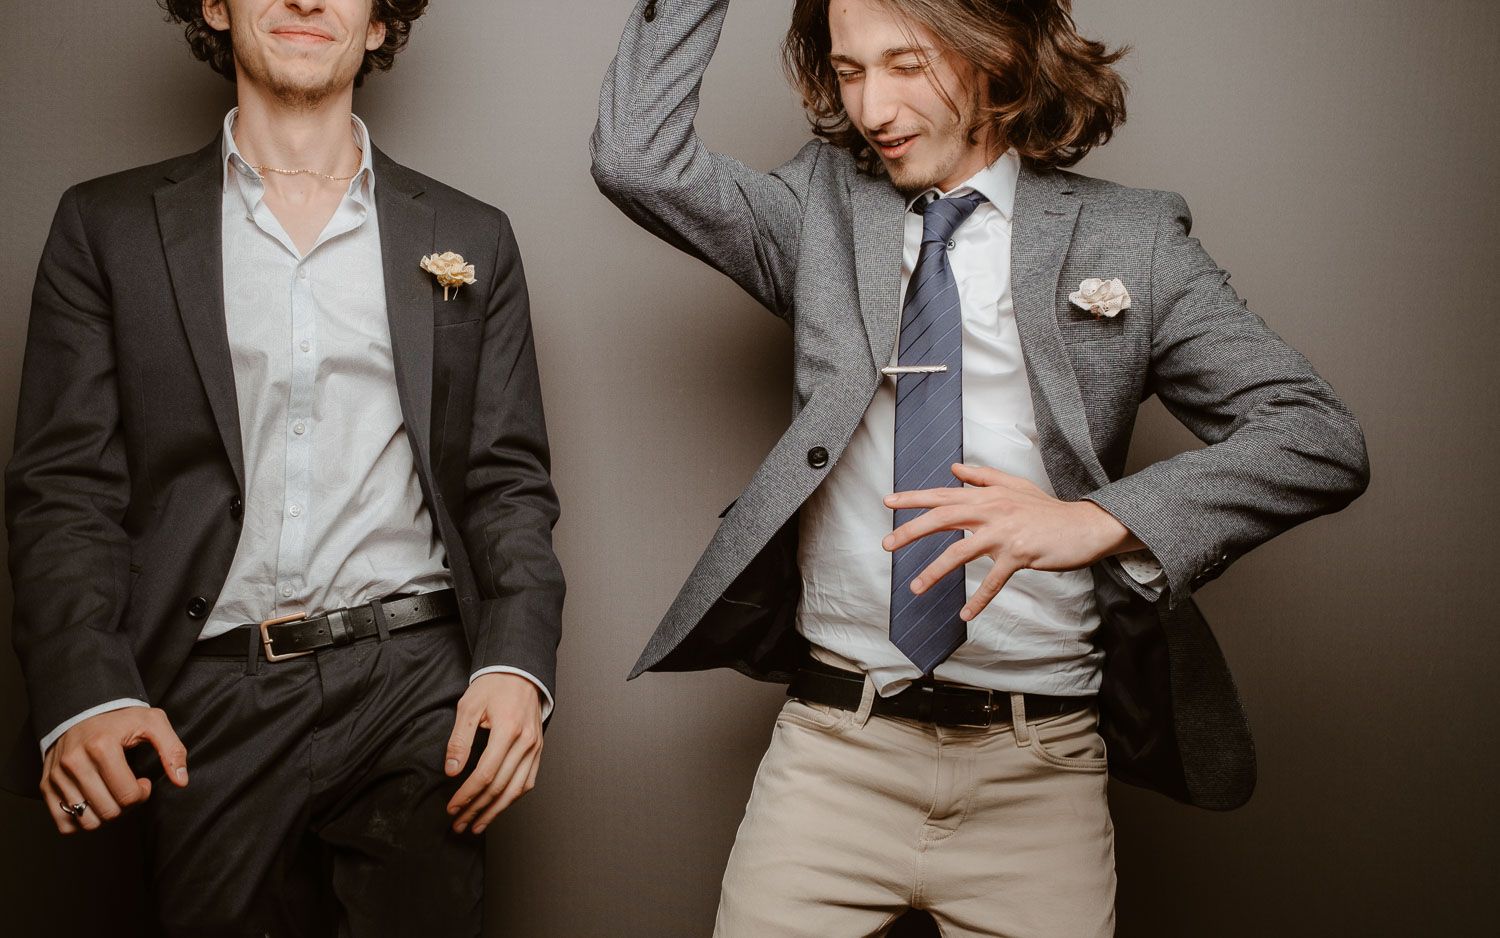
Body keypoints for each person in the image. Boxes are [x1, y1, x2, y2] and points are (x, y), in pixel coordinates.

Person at [591, 0, 1368, 934]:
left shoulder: (1134, 242)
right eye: (849, 70)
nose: (873, 105)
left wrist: (1099, 521)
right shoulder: (819, 213)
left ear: (993, 54)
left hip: (1041, 772)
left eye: (907, 63)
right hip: (835, 753)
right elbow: (636, 157)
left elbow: (1316, 434)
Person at [4, 0, 564, 934]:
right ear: (215, 7)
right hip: (208, 696)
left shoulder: (475, 235)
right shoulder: (104, 228)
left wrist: (516, 663)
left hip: (416, 681)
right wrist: (85, 690)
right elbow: (65, 490)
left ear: (380, 21)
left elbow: (507, 482)